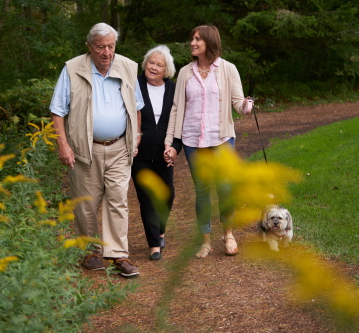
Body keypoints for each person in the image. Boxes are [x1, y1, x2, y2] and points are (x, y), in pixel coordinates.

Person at [49, 23, 144, 277]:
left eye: (111, 46)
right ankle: (90, 253)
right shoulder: (72, 69)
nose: (107, 52)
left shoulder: (127, 67)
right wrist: (64, 145)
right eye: (101, 47)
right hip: (84, 150)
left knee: (118, 201)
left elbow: (136, 106)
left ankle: (118, 255)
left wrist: (136, 137)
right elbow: (58, 111)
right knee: (86, 205)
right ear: (89, 46)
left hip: (119, 148)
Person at [164, 25, 253, 258]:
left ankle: (229, 233)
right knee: (202, 190)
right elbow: (176, 109)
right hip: (193, 140)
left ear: (209, 42)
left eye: (197, 39)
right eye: (192, 39)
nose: (192, 43)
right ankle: (205, 241)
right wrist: (170, 142)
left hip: (221, 137)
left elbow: (237, 102)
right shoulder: (185, 72)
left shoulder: (228, 69)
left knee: (224, 187)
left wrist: (246, 106)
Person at [131, 45, 176, 261]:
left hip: (165, 152)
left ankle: (161, 230)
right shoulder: (135, 85)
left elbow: (180, 122)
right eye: (151, 62)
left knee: (167, 195)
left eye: (159, 65)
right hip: (139, 153)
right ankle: (154, 245)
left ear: (166, 70)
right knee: (147, 198)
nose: (154, 67)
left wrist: (175, 147)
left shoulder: (174, 89)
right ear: (145, 63)